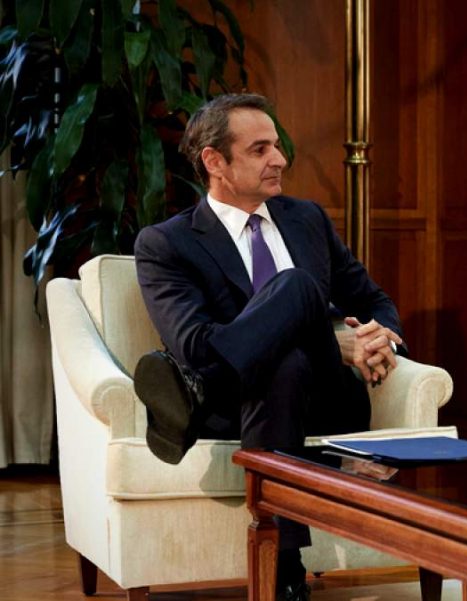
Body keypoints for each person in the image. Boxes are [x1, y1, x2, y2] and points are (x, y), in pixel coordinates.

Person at [132, 93, 403, 601]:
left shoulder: (307, 219)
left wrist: (378, 337)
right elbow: (193, 345)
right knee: (285, 357)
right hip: (240, 407)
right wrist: (330, 341)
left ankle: (189, 395)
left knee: (295, 291)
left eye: (276, 145)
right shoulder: (167, 243)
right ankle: (284, 570)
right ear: (215, 161)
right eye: (259, 150)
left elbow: (374, 301)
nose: (279, 159)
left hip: (328, 399)